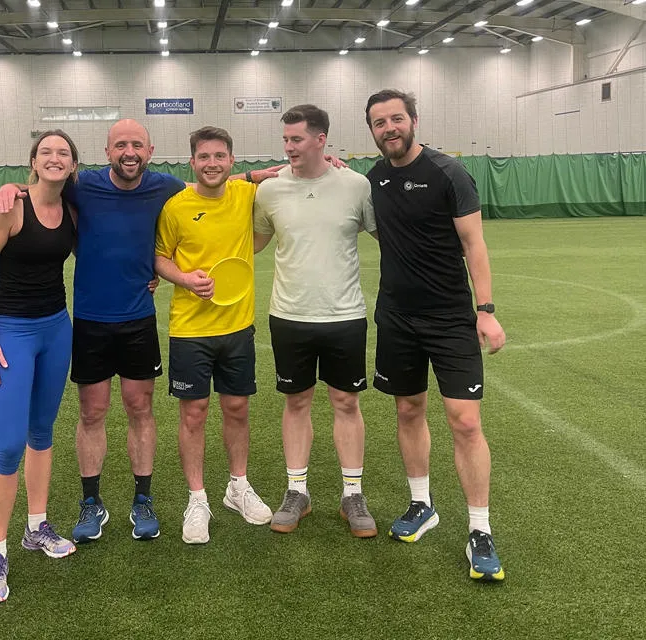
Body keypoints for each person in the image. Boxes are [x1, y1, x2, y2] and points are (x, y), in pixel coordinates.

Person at [0, 119, 281, 544]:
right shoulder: (84, 185)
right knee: (92, 412)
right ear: (107, 151)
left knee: (139, 408)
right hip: (91, 321)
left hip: (138, 320)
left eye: (137, 146)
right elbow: (45, 186)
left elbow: (206, 179)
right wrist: (14, 187)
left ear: (150, 151)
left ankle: (142, 499)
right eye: (120, 145)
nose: (129, 153)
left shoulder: (164, 186)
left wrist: (255, 175)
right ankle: (91, 502)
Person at [364, 89, 506, 581]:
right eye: (379, 122)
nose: (389, 128)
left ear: (414, 121)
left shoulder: (448, 173)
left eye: (396, 119)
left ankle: (480, 530)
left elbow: (475, 244)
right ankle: (421, 504)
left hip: (449, 319)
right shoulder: (374, 177)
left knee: (465, 422)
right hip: (396, 318)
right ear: (373, 131)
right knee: (408, 409)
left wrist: (484, 310)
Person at [253, 105, 378, 538]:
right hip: (289, 316)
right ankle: (297, 492)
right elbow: (250, 243)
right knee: (296, 402)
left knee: (346, 403)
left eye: (297, 139)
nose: (288, 147)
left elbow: (390, 235)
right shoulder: (269, 191)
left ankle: (352, 495)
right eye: (285, 139)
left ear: (321, 140)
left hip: (345, 316)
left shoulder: (356, 186)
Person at [0, 130, 79, 604]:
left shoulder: (74, 209)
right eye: (46, 152)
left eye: (64, 153)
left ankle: (37, 526)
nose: (55, 158)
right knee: (9, 443)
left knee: (42, 432)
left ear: (73, 164)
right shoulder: (10, 207)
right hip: (11, 333)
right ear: (33, 161)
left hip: (57, 329)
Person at [154, 126, 273, 544]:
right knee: (194, 413)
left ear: (231, 161)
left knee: (237, 407)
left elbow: (285, 176)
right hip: (189, 328)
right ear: (192, 162)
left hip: (238, 326)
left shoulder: (245, 196)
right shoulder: (175, 207)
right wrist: (185, 278)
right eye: (203, 157)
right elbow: (159, 258)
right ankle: (197, 498)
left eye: (219, 156)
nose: (211, 164)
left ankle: (237, 487)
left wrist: (326, 160)